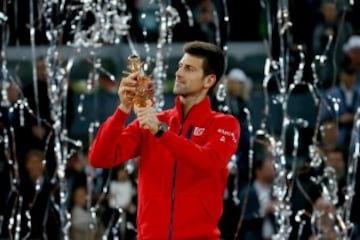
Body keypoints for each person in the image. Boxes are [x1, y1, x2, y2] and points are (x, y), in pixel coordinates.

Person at [88, 41, 240, 239]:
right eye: (179, 66)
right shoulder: (153, 120)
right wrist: (122, 109)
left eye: (189, 69)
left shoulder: (224, 124)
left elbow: (208, 162)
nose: (179, 73)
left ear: (208, 81)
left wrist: (160, 132)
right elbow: (99, 158)